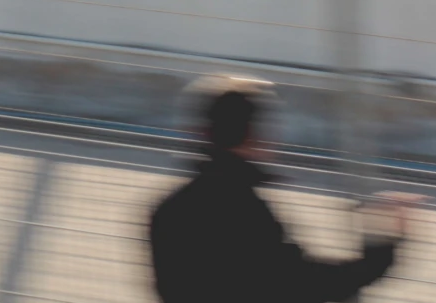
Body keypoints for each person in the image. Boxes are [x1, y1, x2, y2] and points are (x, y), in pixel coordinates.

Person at [147, 75, 416, 303]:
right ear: (257, 135)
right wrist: (380, 245)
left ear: (200, 133)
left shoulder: (167, 209)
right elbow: (306, 284)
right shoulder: (246, 210)